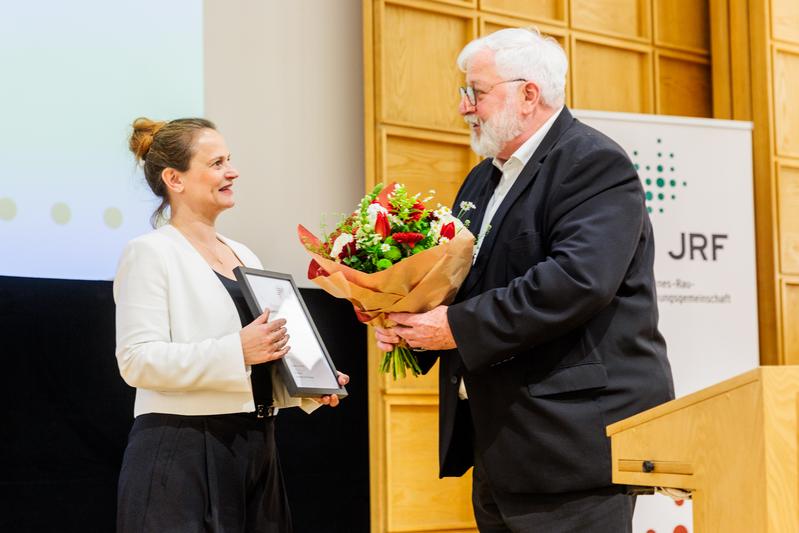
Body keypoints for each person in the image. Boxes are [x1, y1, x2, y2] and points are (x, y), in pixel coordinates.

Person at [375, 28, 674, 532]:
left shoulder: (593, 163)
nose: (465, 108)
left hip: (571, 446)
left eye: (477, 92)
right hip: (503, 444)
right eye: (464, 94)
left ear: (528, 93)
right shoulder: (482, 178)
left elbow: (577, 281)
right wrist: (412, 325)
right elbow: (459, 282)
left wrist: (454, 328)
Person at [115, 117, 348, 533]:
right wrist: (236, 350)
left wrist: (311, 382)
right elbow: (136, 361)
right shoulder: (150, 252)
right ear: (175, 178)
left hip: (256, 445)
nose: (233, 171)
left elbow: (259, 357)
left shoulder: (244, 254)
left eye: (230, 160)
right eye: (217, 162)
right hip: (181, 448)